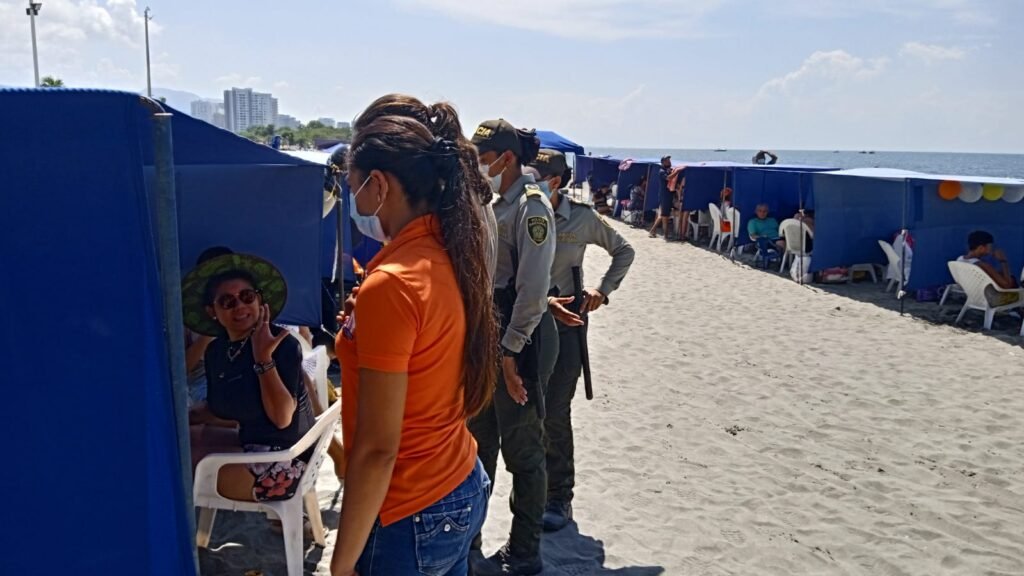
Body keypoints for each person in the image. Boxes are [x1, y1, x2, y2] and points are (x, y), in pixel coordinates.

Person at [329, 95, 496, 575]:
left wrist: (340, 567)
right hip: (459, 478)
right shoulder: (448, 251)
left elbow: (378, 451)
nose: (352, 199)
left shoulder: (395, 282)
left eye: (353, 185)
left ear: (379, 185)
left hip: (410, 506)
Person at [528, 150, 635, 532]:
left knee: (556, 412)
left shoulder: (582, 218)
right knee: (528, 413)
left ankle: (560, 497)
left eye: (534, 174)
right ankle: (533, 492)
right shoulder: (517, 212)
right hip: (525, 322)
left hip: (567, 324)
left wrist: (603, 291)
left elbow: (624, 250)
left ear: (554, 181)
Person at [470, 118, 558, 575]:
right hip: (491, 332)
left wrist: (509, 354)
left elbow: (533, 292)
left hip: (520, 336)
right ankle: (469, 542)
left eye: (483, 157)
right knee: (478, 445)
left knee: (523, 451)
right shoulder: (492, 201)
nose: (478, 165)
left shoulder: (531, 206)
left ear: (505, 158)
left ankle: (524, 552)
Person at [181, 253, 315, 502]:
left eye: (247, 297)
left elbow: (282, 418)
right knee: (179, 444)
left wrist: (264, 359)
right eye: (227, 301)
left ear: (259, 300)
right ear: (212, 311)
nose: (240, 306)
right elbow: (222, 409)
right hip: (253, 445)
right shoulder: (217, 351)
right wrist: (184, 418)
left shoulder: (281, 344)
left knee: (181, 472)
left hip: (286, 463)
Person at [964, 231, 1020, 303]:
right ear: (981, 248)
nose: (991, 249)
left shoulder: (960, 260)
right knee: (1012, 281)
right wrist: (1003, 261)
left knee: (1007, 276)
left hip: (973, 294)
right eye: (990, 246)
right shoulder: (982, 265)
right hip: (988, 299)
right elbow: (1007, 285)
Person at [648, 155, 675, 240]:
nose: (670, 162)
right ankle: (665, 235)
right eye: (668, 161)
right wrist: (677, 171)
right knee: (665, 216)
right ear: (663, 162)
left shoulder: (667, 170)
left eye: (669, 161)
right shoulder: (661, 171)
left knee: (661, 215)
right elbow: (668, 178)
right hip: (665, 196)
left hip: (666, 195)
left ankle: (653, 231)